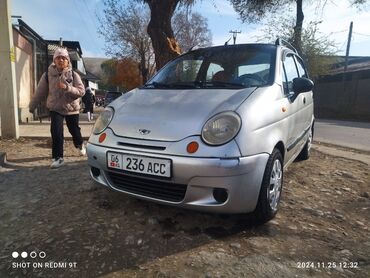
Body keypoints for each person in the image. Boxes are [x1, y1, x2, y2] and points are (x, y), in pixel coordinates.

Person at [29, 48, 86, 169]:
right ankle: (58, 158)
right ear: (54, 60)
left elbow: (81, 91)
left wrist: (67, 88)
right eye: (58, 58)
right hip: (55, 108)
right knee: (56, 132)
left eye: (64, 58)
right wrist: (32, 105)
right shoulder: (47, 75)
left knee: (74, 130)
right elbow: (40, 92)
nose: (61, 60)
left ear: (68, 61)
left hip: (72, 109)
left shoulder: (74, 74)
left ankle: (80, 144)